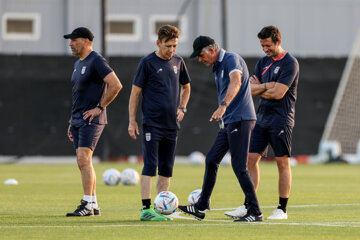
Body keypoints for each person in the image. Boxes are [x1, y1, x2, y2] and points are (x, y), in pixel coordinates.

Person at [178, 36, 262, 222]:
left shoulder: (231, 59)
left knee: (239, 166)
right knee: (211, 159)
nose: (200, 60)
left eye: (201, 55)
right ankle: (201, 206)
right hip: (230, 121)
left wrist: (223, 105)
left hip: (241, 118)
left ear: (211, 49)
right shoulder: (217, 66)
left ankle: (255, 212)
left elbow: (236, 82)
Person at [225, 25, 299, 220]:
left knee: (282, 162)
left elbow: (279, 93)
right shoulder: (263, 62)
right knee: (249, 159)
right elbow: (249, 89)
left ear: (278, 42)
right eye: (262, 45)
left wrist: (261, 87)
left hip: (281, 119)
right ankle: (249, 205)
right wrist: (266, 86)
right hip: (262, 117)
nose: (265, 49)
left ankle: (282, 209)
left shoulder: (290, 63)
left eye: (268, 45)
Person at [128, 24, 191, 221]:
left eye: (174, 45)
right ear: (158, 43)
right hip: (152, 124)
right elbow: (135, 93)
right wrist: (132, 121)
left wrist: (182, 107)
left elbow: (186, 87)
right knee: (150, 166)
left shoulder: (179, 62)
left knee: (166, 169)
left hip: (172, 125)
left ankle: (160, 208)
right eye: (167, 46)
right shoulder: (147, 63)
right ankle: (146, 210)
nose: (171, 50)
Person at [64, 27, 122, 216]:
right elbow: (78, 95)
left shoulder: (96, 60)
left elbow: (116, 85)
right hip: (78, 119)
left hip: (92, 119)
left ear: (87, 41)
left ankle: (87, 204)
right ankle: (94, 203)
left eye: (74, 40)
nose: (71, 43)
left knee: (83, 159)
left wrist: (99, 107)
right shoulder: (78, 63)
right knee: (84, 161)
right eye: (70, 40)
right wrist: (71, 121)